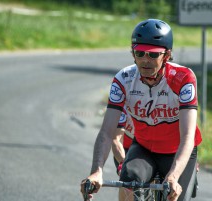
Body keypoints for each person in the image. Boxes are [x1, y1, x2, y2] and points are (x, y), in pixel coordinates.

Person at [80, 18, 202, 201]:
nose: (145, 60)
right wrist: (96, 172)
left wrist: (174, 176)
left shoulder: (183, 78)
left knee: (174, 194)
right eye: (140, 53)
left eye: (153, 55)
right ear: (133, 54)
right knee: (129, 180)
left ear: (166, 55)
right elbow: (107, 131)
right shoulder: (124, 79)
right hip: (144, 148)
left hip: (177, 149)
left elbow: (187, 136)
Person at [112, 109, 134, 201]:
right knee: (127, 183)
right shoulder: (124, 106)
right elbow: (116, 139)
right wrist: (123, 164)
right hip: (126, 151)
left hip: (153, 149)